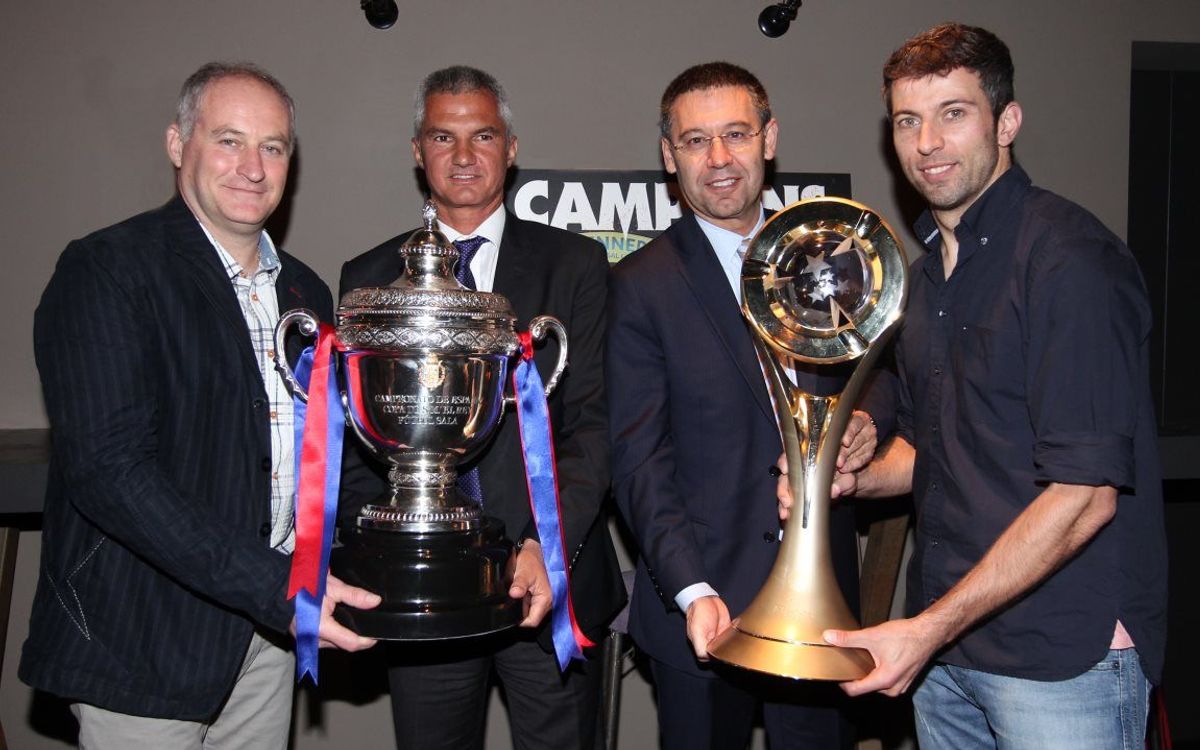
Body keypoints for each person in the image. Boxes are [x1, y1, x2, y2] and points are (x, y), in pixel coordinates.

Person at [781, 22, 1167, 749]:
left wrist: (925, 629)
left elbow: (1084, 495)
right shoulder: (925, 279)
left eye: (953, 113)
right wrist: (842, 477)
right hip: (950, 656)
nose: (927, 141)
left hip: (1060, 660)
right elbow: (940, 452)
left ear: (1007, 121)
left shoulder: (1069, 263)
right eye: (908, 120)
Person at [20, 62, 380, 748]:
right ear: (178, 143)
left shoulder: (304, 293)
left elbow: (328, 456)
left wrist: (399, 546)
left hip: (266, 642)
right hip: (146, 637)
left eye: (272, 147)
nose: (252, 167)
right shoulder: (109, 271)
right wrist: (272, 584)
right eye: (228, 141)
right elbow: (110, 472)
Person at [339, 65, 625, 750]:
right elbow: (351, 438)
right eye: (443, 136)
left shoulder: (576, 263)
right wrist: (378, 555)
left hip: (543, 586)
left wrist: (546, 549)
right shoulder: (367, 277)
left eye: (483, 135)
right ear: (417, 151)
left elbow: (592, 424)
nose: (463, 156)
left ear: (512, 146)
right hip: (422, 590)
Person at [607, 61, 891, 750]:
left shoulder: (835, 259)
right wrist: (690, 589)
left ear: (769, 138)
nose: (719, 158)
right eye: (696, 140)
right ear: (669, 157)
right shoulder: (640, 287)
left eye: (736, 133)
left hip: (824, 608)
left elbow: (888, 370)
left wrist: (868, 420)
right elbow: (639, 459)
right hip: (707, 607)